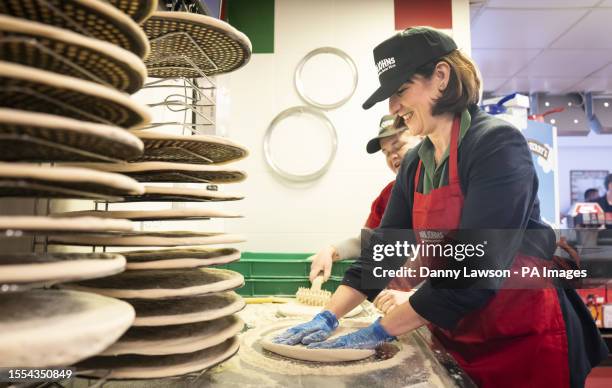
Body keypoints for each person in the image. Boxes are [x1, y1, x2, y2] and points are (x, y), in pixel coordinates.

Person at [275, 27, 608, 388]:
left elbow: (474, 268)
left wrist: (379, 330)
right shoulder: (418, 161)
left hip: (522, 334)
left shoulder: (496, 144)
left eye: (400, 91)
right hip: (459, 330)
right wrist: (328, 316)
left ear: (441, 78)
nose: (394, 108)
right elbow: (383, 252)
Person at [308, 114, 421, 313]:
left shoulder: (445, 188)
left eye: (397, 146)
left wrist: (417, 296)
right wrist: (332, 250)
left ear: (422, 137)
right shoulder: (389, 194)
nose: (392, 156)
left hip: (433, 300)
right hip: (396, 300)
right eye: (386, 152)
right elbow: (370, 243)